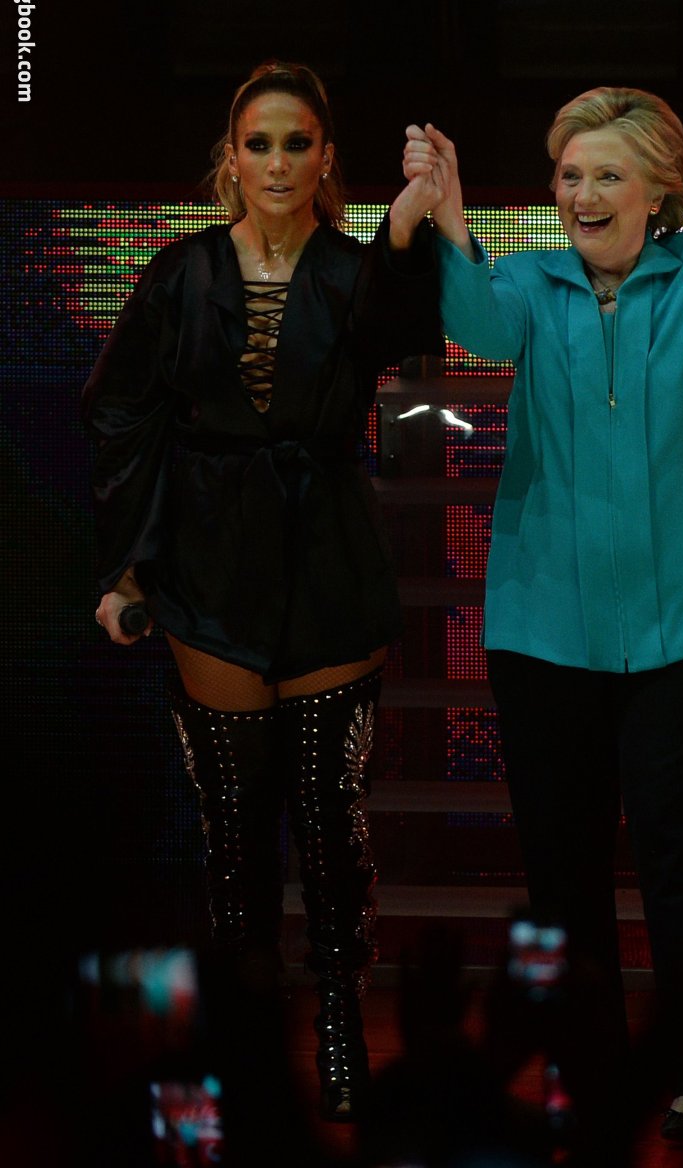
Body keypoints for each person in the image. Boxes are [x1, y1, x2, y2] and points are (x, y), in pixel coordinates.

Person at [402, 12, 683, 1147]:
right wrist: (450, 218)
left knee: (681, 858)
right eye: (569, 175)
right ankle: (589, 1068)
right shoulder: (527, 284)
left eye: (606, 174)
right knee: (561, 872)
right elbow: (473, 325)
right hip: (541, 629)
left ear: (658, 192)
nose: (582, 192)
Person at [83, 60, 444, 1124]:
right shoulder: (181, 271)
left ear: (325, 158)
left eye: (296, 143)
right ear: (230, 160)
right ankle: (245, 1044)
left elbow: (399, 328)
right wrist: (127, 564)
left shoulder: (355, 267)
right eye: (258, 143)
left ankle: (338, 1026)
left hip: (325, 552)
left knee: (330, 825)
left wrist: (406, 222)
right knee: (234, 832)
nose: (277, 162)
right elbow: (121, 412)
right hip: (209, 560)